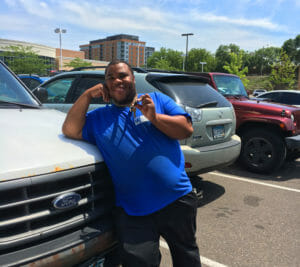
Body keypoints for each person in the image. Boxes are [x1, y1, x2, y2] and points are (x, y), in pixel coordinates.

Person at [62, 60, 201, 267]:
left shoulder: (156, 100)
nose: (117, 81)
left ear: (133, 79)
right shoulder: (99, 118)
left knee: (187, 257)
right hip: (133, 211)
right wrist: (87, 95)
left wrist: (154, 117)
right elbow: (70, 129)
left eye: (122, 76)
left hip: (177, 199)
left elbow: (185, 129)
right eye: (110, 77)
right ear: (105, 85)